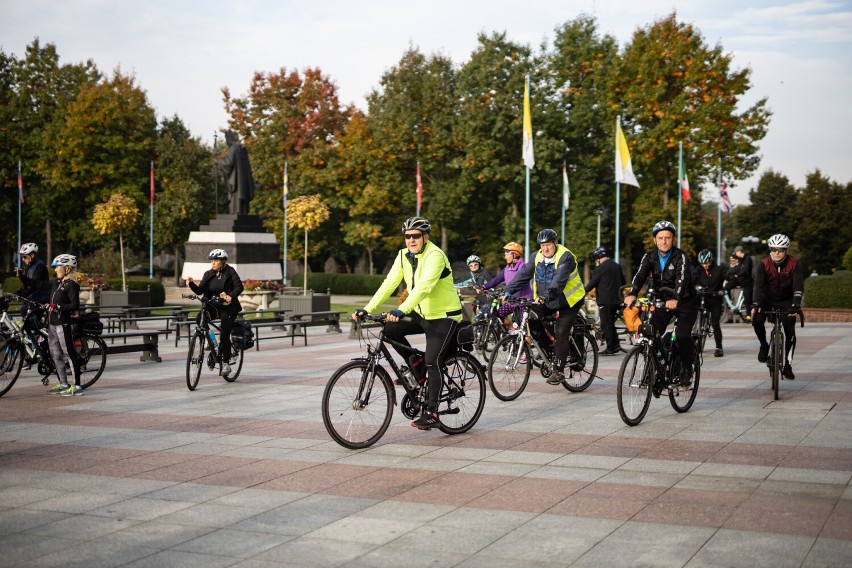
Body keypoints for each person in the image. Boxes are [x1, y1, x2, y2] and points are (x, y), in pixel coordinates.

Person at [353, 217, 463, 431]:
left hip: (444, 316)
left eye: (416, 236)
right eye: (408, 236)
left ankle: (432, 412)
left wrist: (401, 309)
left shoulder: (435, 256)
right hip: (422, 314)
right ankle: (417, 367)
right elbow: (389, 283)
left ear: (426, 237)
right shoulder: (403, 255)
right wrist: (368, 308)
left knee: (433, 360)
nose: (411, 240)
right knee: (391, 329)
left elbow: (423, 288)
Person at [505, 228, 586, 385]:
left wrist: (548, 295)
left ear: (555, 243)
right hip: (546, 300)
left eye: (548, 245)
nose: (545, 249)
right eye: (542, 245)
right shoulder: (536, 257)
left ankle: (559, 371)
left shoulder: (565, 256)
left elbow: (559, 281)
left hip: (569, 301)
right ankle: (550, 351)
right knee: (532, 319)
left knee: (561, 332)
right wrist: (508, 291)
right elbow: (523, 275)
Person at [624, 221, 697, 386]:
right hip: (662, 301)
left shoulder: (681, 256)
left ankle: (686, 368)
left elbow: (682, 279)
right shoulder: (649, 256)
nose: (664, 241)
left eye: (668, 238)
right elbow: (640, 275)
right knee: (650, 332)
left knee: (682, 335)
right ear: (654, 240)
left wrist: (675, 297)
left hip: (685, 301)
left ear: (673, 239)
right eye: (660, 238)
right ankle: (656, 367)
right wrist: (633, 293)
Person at [751, 234, 803, 380]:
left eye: (780, 249)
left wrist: (796, 305)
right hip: (767, 299)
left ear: (786, 250)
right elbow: (758, 286)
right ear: (770, 249)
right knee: (757, 320)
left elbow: (798, 286)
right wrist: (756, 303)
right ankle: (763, 345)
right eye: (774, 249)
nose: (777, 252)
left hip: (787, 300)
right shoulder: (763, 264)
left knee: (789, 329)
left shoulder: (795, 263)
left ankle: (787, 363)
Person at [186, 249, 244, 377]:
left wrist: (231, 296)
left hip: (228, 307)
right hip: (213, 306)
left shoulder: (230, 272)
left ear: (223, 261)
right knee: (199, 319)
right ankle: (211, 341)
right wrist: (191, 284)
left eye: (216, 260)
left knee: (224, 334)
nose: (213, 263)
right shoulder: (208, 274)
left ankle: (225, 363)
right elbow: (200, 290)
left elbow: (239, 287)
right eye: (211, 260)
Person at [45, 254, 83, 396]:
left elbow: (74, 306)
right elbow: (41, 285)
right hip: (52, 324)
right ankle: (63, 383)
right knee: (56, 355)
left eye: (57, 267)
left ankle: (77, 385)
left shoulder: (72, 285)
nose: (55, 270)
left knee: (69, 353)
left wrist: (58, 306)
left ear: (67, 268)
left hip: (63, 323)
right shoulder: (57, 283)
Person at [477, 242, 533, 324]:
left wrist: (506, 292)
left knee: (522, 329)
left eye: (507, 253)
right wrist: (484, 287)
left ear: (514, 254)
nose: (505, 256)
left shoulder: (523, 267)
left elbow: (519, 282)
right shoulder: (508, 267)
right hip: (511, 301)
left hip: (523, 302)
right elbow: (497, 279)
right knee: (497, 316)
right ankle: (509, 332)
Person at [585, 247, 626, 356]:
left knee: (606, 325)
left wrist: (583, 291)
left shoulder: (600, 268)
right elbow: (624, 281)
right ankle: (616, 344)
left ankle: (611, 348)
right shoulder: (617, 266)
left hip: (605, 300)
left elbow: (593, 283)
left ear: (598, 258)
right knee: (610, 323)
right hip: (617, 300)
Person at [693, 249, 726, 357]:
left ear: (711, 260)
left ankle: (719, 347)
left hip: (715, 299)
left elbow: (729, 278)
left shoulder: (719, 270)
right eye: (702, 263)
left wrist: (724, 290)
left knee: (715, 323)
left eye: (707, 263)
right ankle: (696, 343)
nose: (705, 265)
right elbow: (691, 281)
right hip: (703, 298)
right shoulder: (698, 270)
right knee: (695, 318)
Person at [218, 130, 255, 216]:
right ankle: (243, 211)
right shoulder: (241, 148)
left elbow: (228, 163)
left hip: (236, 183)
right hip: (243, 183)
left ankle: (237, 211)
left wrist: (218, 163)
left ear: (228, 139)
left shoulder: (233, 148)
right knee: (242, 204)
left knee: (236, 203)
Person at [725, 245, 754, 321]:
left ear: (739, 251)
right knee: (726, 287)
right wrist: (730, 275)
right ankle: (730, 300)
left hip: (747, 281)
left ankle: (748, 316)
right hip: (739, 279)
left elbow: (745, 270)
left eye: (736, 252)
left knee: (747, 298)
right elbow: (737, 268)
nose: (735, 254)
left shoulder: (747, 259)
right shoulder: (740, 259)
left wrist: (737, 274)